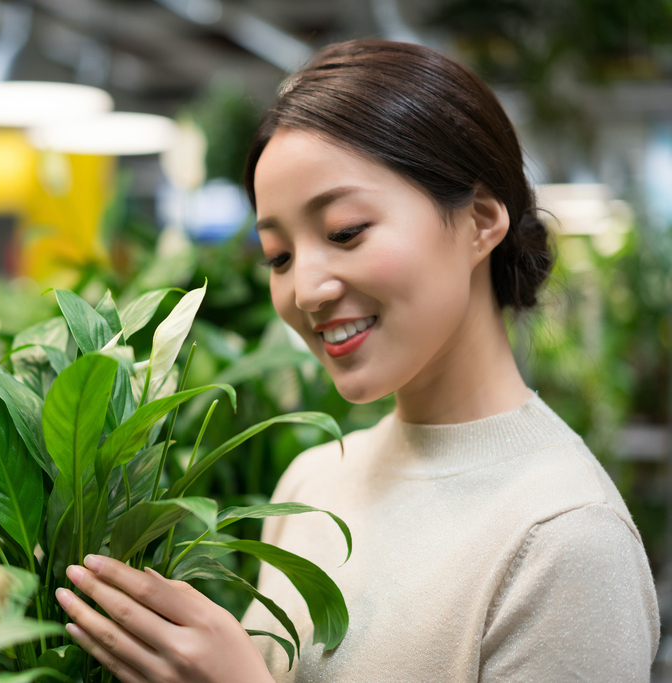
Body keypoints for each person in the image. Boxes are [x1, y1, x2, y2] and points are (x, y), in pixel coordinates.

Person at [53, 40, 660, 682]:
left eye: (345, 232)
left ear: (481, 220)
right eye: (278, 256)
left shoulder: (566, 540)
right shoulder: (312, 485)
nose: (306, 288)